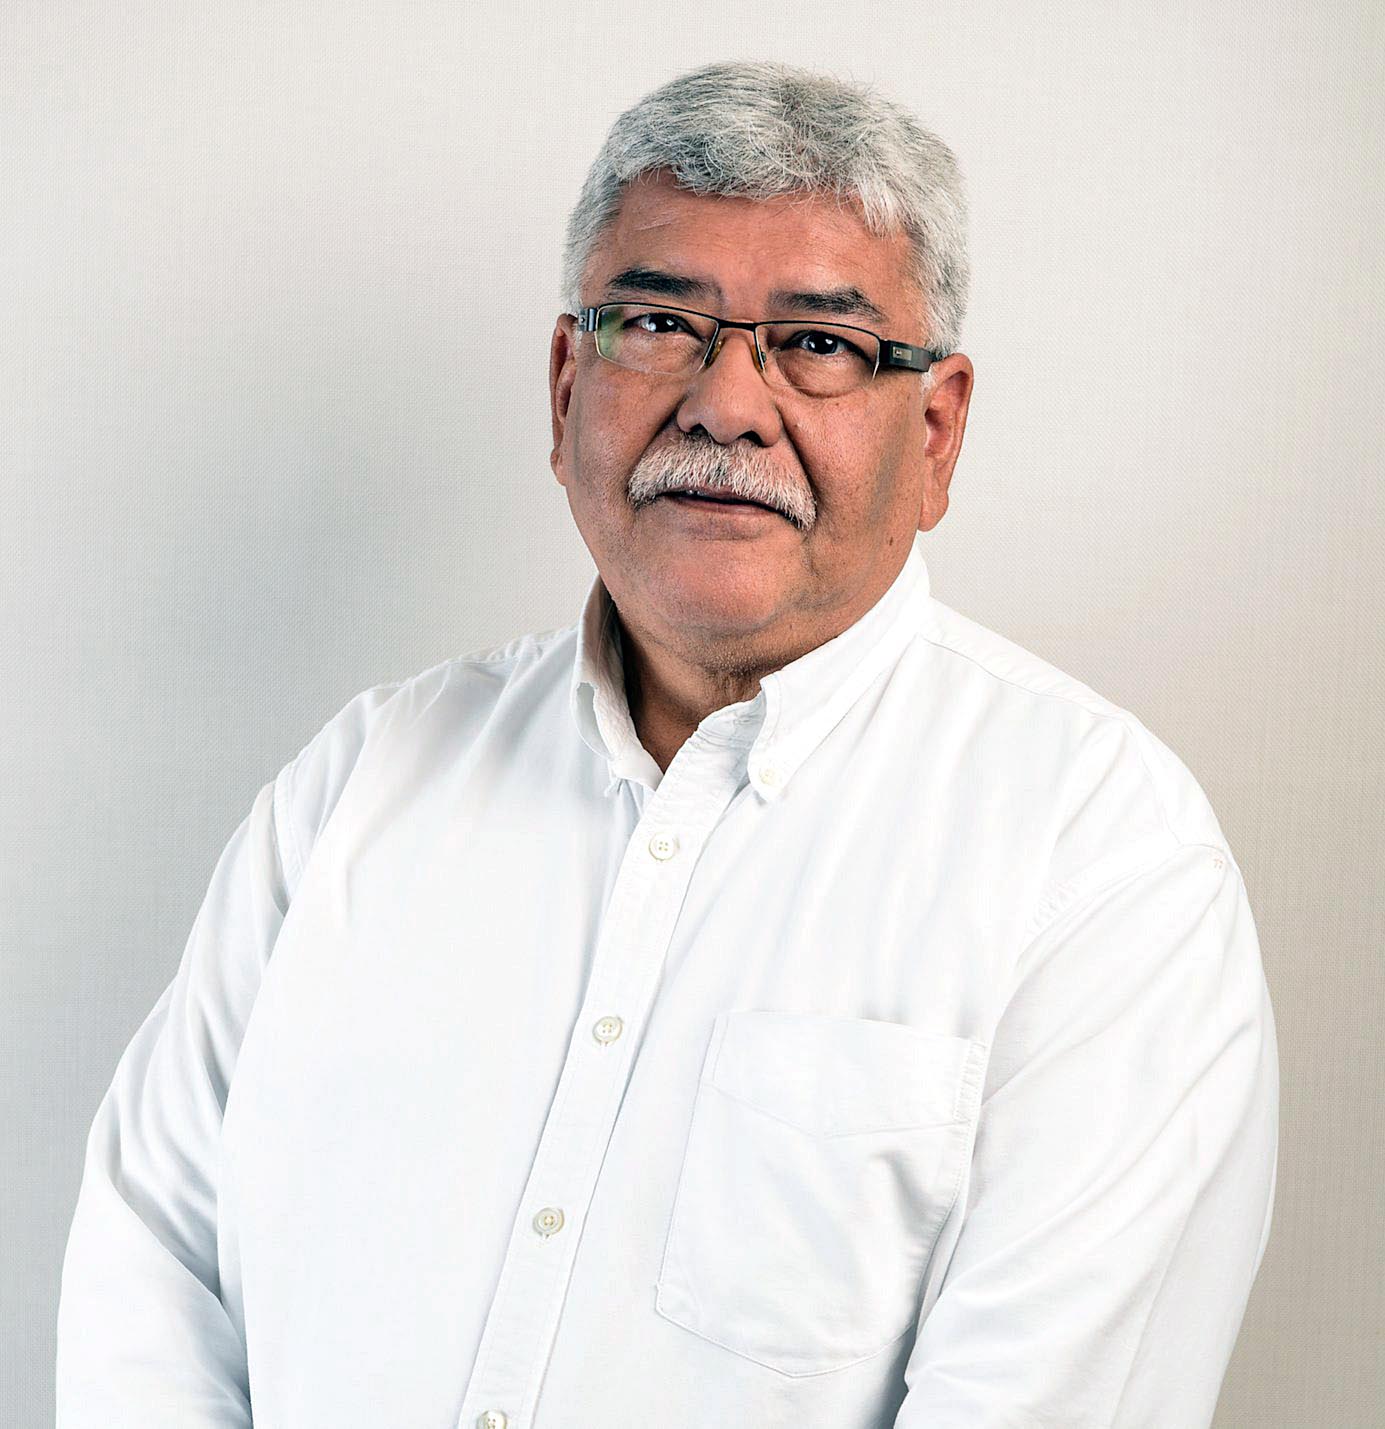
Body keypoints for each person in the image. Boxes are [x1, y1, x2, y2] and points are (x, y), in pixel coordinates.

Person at [55, 59, 1278, 1429]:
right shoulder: (363, 783)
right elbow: (149, 1285)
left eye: (819, 344)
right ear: (565, 384)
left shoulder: (1101, 859)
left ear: (936, 433)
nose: (726, 404)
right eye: (657, 323)